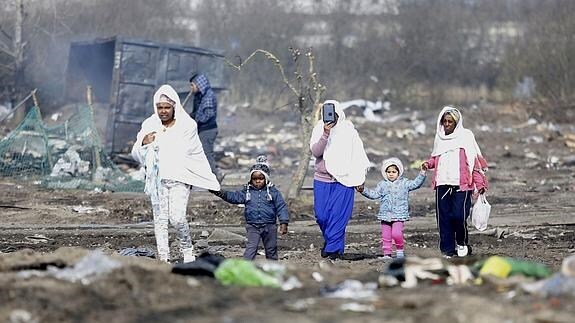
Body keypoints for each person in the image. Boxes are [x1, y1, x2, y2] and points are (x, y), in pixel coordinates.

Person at [131, 84, 220, 263]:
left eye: (167, 107)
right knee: (160, 221)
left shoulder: (187, 125)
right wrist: (144, 143)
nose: (163, 111)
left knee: (177, 218)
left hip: (180, 178)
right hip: (157, 181)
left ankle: (187, 250)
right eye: (160, 107)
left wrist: (209, 180)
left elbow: (193, 154)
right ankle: (164, 258)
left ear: (174, 107)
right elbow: (136, 153)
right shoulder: (149, 124)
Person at [422, 106, 488, 259]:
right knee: (443, 218)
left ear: (456, 122)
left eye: (450, 122)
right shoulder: (439, 138)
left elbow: (474, 163)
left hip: (462, 185)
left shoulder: (466, 137)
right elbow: (435, 157)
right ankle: (447, 249)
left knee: (459, 216)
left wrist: (480, 184)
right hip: (442, 184)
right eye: (444, 121)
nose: (446, 124)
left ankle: (462, 242)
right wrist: (428, 164)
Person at [309, 100, 371, 260]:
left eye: (333, 114)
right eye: (327, 113)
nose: (330, 117)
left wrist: (359, 178)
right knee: (322, 216)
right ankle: (331, 243)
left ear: (339, 114)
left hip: (344, 180)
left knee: (338, 216)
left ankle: (333, 250)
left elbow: (358, 156)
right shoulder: (319, 129)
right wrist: (325, 133)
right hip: (322, 180)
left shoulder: (349, 131)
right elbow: (316, 152)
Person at [209, 155, 289, 260]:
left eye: (261, 178)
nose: (258, 181)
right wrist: (220, 193)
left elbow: (281, 206)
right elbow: (234, 197)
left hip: (270, 226)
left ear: (266, 178)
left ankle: (272, 268)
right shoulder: (247, 192)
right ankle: (245, 267)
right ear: (251, 179)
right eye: (255, 179)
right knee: (251, 248)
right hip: (253, 226)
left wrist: (284, 222)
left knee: (271, 249)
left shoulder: (273, 192)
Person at [356, 157, 426, 259]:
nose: (391, 174)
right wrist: (363, 190)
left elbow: (416, 184)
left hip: (399, 215)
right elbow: (374, 194)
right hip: (385, 215)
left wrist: (422, 172)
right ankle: (387, 254)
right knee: (386, 236)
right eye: (388, 172)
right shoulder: (382, 184)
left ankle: (400, 252)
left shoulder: (404, 183)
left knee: (397, 234)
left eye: (394, 171)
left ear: (399, 172)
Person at [189, 74, 221, 181]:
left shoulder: (208, 97)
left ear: (199, 84)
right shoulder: (199, 97)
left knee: (207, 154)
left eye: (192, 85)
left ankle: (216, 176)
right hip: (202, 130)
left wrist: (196, 120)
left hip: (207, 130)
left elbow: (208, 115)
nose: (191, 88)